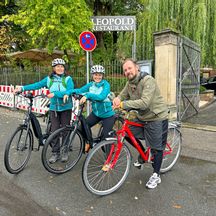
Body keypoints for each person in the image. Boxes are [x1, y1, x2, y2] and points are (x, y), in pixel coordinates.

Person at [112, 58, 169, 189]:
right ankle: (143, 154)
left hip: (156, 117)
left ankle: (156, 174)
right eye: (125, 70)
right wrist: (117, 99)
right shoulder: (130, 83)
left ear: (137, 68)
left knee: (156, 148)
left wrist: (123, 104)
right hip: (142, 117)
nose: (127, 71)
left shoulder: (148, 80)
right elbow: (122, 95)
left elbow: (144, 103)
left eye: (129, 68)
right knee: (127, 132)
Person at [13, 58, 74, 163]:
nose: (60, 68)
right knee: (54, 131)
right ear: (54, 68)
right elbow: (36, 85)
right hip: (54, 108)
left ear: (64, 68)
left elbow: (70, 91)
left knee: (65, 130)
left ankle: (64, 151)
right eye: (57, 66)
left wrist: (56, 94)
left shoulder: (68, 79)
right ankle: (55, 152)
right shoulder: (49, 79)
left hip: (66, 108)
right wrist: (22, 88)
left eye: (62, 66)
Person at [64, 64, 116, 152]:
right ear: (92, 75)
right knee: (82, 127)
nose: (97, 77)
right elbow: (80, 90)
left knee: (105, 138)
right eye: (95, 74)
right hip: (96, 113)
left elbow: (101, 97)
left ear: (102, 75)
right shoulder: (91, 85)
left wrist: (87, 95)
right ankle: (89, 141)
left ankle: (109, 162)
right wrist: (68, 92)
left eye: (100, 75)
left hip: (107, 115)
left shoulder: (106, 85)